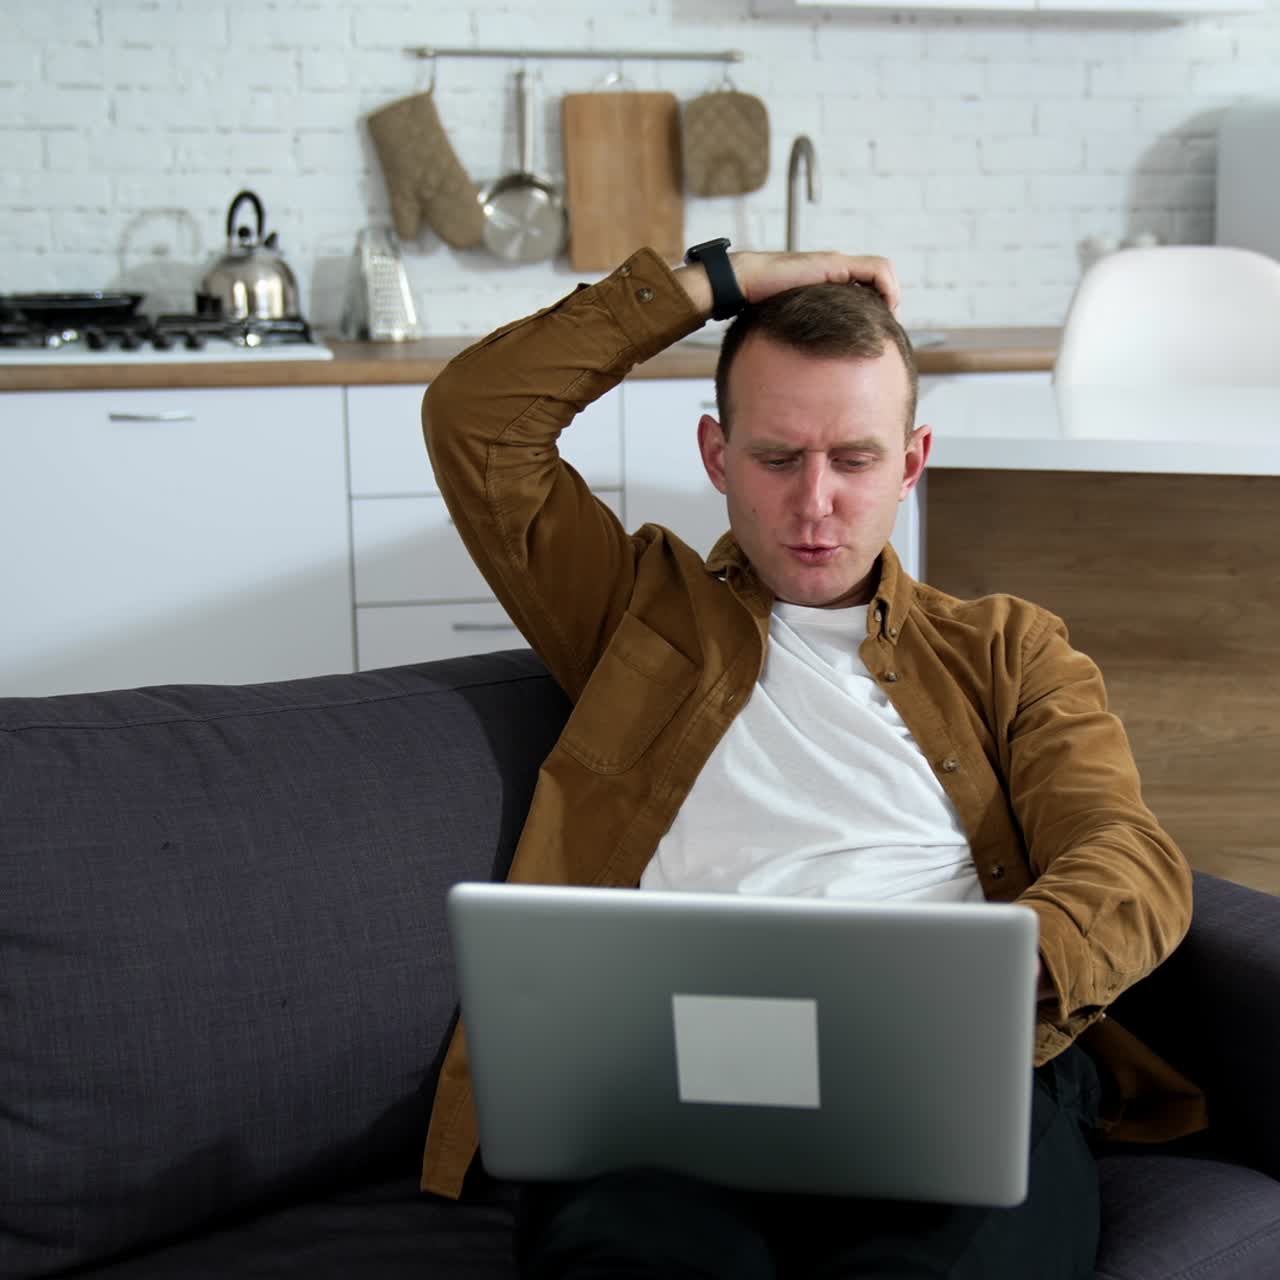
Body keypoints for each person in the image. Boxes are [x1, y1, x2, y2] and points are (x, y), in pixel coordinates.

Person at [418, 244, 1206, 1278]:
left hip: (944, 1073)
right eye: (777, 456)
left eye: (854, 458)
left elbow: (1130, 859)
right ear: (715, 453)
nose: (815, 503)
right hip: (674, 1090)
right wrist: (718, 279)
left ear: (912, 460)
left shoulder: (1008, 650)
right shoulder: (633, 610)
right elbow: (476, 417)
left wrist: (986, 976)